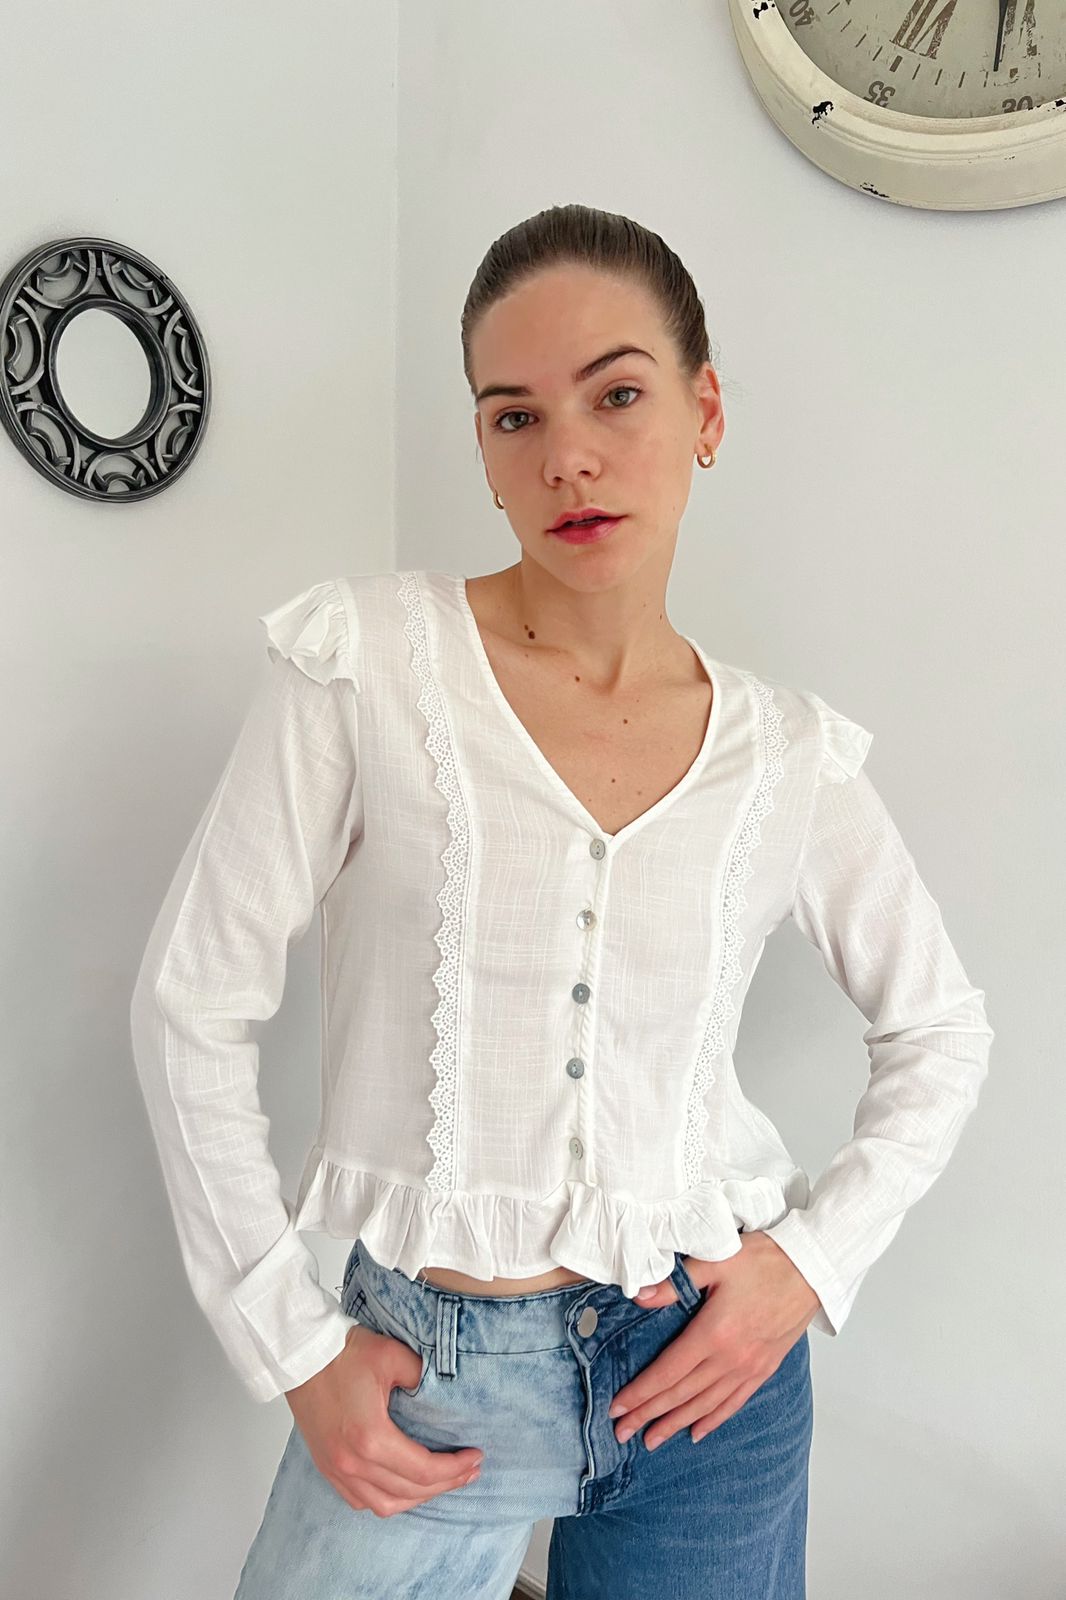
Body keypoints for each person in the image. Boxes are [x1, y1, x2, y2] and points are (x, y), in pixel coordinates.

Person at [129, 203, 994, 1599]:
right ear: (483, 449)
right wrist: (289, 1345)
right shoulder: (365, 663)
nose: (568, 456)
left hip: (708, 1378)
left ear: (705, 411)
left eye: (617, 395)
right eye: (514, 416)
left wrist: (807, 1265)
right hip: (425, 1382)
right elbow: (191, 1004)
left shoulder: (786, 754)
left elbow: (942, 1029)